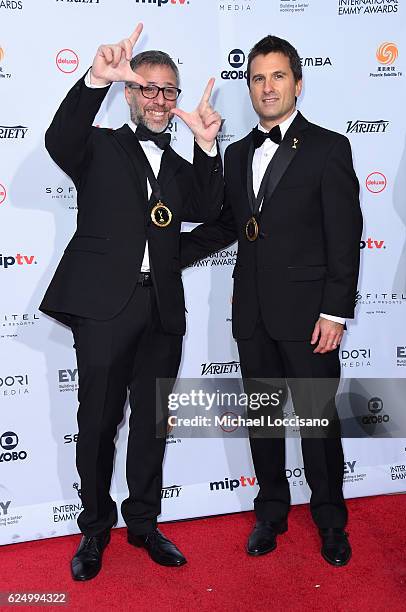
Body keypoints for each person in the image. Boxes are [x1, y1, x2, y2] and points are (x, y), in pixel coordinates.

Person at [40, 23, 223, 581]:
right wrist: (94, 77)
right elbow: (59, 138)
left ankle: (144, 523)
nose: (160, 99)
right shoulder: (97, 146)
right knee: (96, 423)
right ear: (129, 92)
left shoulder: (182, 159)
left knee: (151, 424)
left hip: (162, 309)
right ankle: (94, 530)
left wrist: (208, 147)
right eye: (148, 87)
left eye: (169, 90)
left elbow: (216, 213)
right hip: (103, 308)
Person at [180, 35, 363, 567]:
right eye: (258, 78)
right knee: (263, 421)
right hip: (253, 316)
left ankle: (331, 521)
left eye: (278, 76)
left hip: (310, 318)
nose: (267, 87)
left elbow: (345, 233)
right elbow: (222, 224)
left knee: (317, 423)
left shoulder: (329, 147)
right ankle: (272, 513)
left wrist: (335, 310)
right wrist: (156, 252)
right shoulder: (236, 154)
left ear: (297, 84)